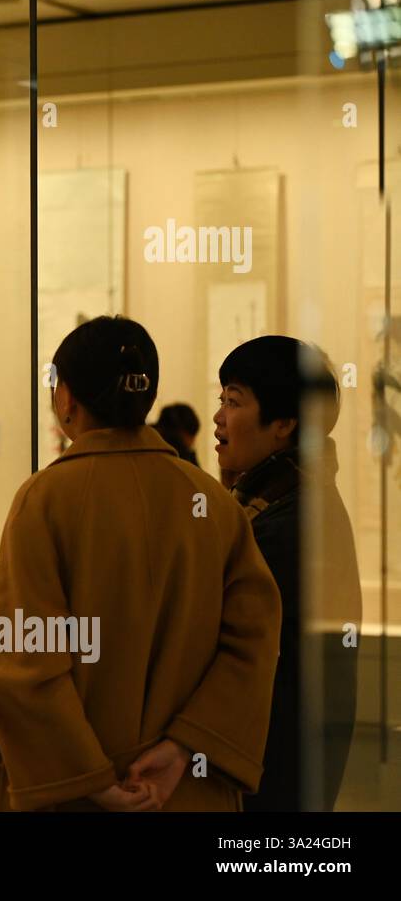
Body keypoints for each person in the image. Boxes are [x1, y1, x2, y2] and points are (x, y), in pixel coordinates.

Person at [0, 316, 281, 811]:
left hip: (72, 800)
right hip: (184, 793)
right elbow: (254, 642)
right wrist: (182, 748)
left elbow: (24, 662)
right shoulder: (213, 503)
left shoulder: (43, 501)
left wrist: (90, 779)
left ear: (66, 399)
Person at [214, 336, 361, 812]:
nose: (218, 416)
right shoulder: (281, 503)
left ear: (284, 425)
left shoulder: (287, 524)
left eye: (234, 401)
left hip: (270, 776)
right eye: (221, 399)